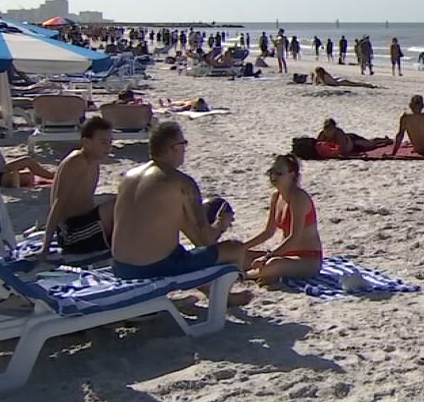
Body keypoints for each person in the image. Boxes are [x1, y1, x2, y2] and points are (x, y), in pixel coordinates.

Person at [109, 123, 250, 301]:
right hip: (153, 268)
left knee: (184, 253)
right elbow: (206, 240)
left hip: (120, 267)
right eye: (184, 144)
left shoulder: (129, 177)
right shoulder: (181, 183)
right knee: (235, 249)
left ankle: (209, 293)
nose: (185, 149)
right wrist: (221, 225)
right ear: (175, 148)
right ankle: (225, 299)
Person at [34, 117, 116, 257]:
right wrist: (45, 246)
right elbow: (58, 202)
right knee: (117, 204)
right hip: (71, 233)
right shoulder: (76, 162)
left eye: (110, 142)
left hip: (86, 226)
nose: (108, 147)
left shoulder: (94, 162)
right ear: (86, 142)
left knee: (124, 201)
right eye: (103, 143)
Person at [243, 154, 323, 284]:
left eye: (279, 173)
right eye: (271, 172)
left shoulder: (298, 198)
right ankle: (262, 274)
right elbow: (268, 232)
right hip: (286, 255)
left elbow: (294, 237)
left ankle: (241, 276)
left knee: (273, 264)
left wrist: (268, 256)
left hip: (307, 259)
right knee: (244, 256)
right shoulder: (276, 196)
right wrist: (242, 248)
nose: (273, 177)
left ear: (292, 175)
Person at [312, 66, 379, 88]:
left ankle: (368, 85)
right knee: (355, 84)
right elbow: (317, 82)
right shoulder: (321, 76)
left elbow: (329, 83)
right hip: (337, 81)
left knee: (356, 84)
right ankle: (368, 85)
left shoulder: (325, 76)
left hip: (339, 82)